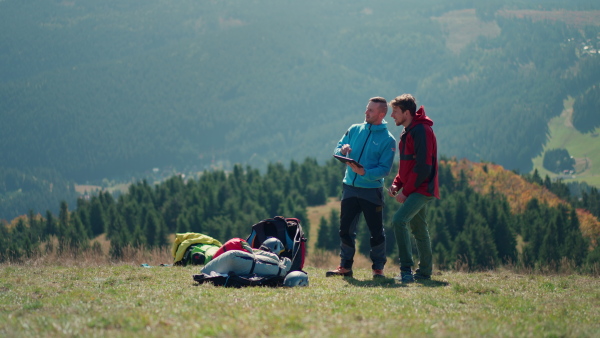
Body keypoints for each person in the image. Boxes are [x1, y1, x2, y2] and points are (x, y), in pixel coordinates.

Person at [326, 97, 396, 279]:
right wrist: (342, 150)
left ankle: (378, 268)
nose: (366, 112)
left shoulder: (388, 140)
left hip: (372, 191)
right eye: (367, 109)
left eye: (371, 110)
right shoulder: (354, 129)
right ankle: (345, 266)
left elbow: (384, 169)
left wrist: (365, 172)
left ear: (381, 114)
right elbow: (337, 148)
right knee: (346, 229)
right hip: (349, 187)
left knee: (376, 231)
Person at [387, 94, 439, 283]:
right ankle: (424, 273)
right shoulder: (408, 131)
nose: (392, 115)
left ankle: (406, 270)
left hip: (422, 187)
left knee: (399, 220)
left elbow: (423, 166)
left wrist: (406, 191)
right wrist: (397, 183)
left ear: (406, 113)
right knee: (418, 228)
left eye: (395, 111)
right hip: (415, 186)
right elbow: (406, 166)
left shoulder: (421, 131)